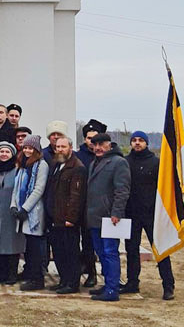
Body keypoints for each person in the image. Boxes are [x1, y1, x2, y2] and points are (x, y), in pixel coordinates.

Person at [122, 131, 175, 300]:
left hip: (152, 214)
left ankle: (168, 285)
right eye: (134, 140)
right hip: (131, 213)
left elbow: (164, 187)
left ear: (147, 143)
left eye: (141, 140)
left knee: (160, 250)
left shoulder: (155, 162)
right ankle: (132, 282)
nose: (137, 143)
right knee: (131, 250)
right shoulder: (125, 162)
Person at [85, 132, 131, 302]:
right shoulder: (94, 163)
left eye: (101, 145)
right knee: (101, 253)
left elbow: (122, 190)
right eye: (95, 145)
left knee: (110, 252)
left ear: (109, 145)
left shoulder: (119, 163)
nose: (98, 148)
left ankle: (113, 289)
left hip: (110, 218)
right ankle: (107, 284)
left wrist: (116, 213)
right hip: (95, 217)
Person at [45, 136, 87, 294]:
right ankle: (63, 280)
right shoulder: (56, 164)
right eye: (57, 147)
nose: (60, 149)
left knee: (71, 252)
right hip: (55, 217)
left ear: (70, 147)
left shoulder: (77, 167)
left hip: (68, 220)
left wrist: (71, 218)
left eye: (63, 146)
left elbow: (76, 196)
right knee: (59, 252)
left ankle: (72, 283)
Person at [10, 134, 49, 290]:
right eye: (25, 147)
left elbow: (38, 189)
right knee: (28, 247)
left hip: (33, 212)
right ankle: (29, 273)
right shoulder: (21, 164)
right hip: (21, 210)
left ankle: (37, 279)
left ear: (36, 150)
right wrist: (13, 205)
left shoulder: (41, 165)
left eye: (30, 148)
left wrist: (25, 208)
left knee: (35, 248)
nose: (27, 150)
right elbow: (16, 186)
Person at [76, 118, 106, 287]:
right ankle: (91, 272)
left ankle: (108, 274)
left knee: (104, 245)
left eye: (96, 138)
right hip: (83, 206)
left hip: (103, 207)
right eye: (89, 138)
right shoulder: (78, 156)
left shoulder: (106, 157)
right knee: (87, 242)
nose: (92, 142)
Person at [0, 141, 22, 284]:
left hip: (11, 212)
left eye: (7, 152)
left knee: (12, 243)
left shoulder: (17, 171)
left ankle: (11, 274)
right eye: (1, 152)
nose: (4, 154)